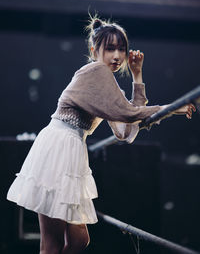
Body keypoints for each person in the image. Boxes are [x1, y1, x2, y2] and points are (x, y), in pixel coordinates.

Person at [7, 15, 195, 254]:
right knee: (51, 244)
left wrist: (137, 76)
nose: (117, 56)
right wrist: (172, 108)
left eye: (122, 49)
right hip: (59, 148)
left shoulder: (107, 84)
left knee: (78, 241)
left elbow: (125, 132)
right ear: (95, 50)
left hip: (71, 150)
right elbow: (127, 112)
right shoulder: (95, 71)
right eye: (110, 49)